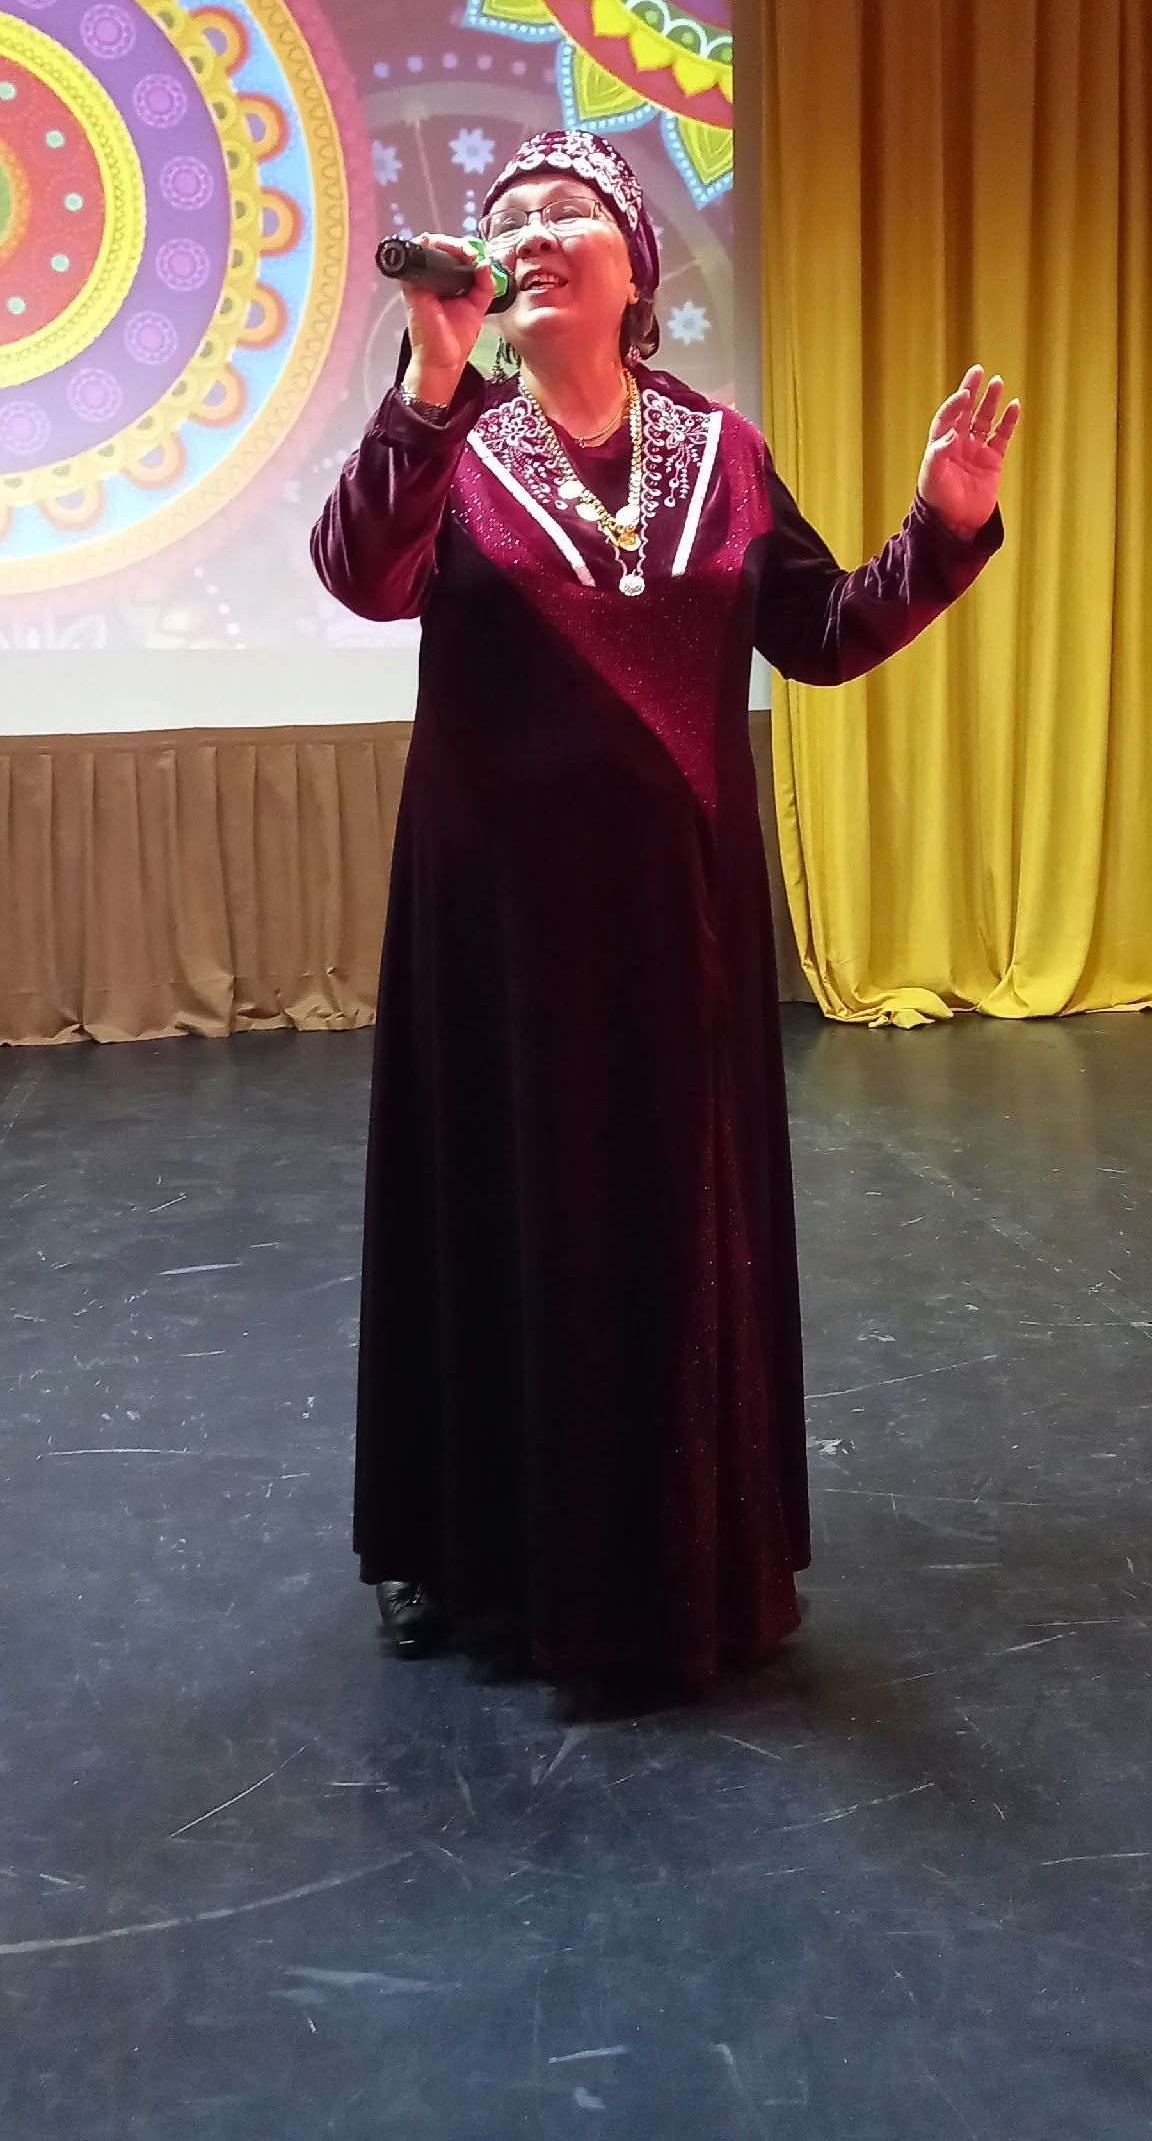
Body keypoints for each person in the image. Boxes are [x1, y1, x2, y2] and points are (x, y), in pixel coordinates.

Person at [311, 130, 1018, 1688]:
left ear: (635, 263)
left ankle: (674, 1547)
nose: (526, 230)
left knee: (664, 1228)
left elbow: (822, 634)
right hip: (494, 933)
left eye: (562, 209)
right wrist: (429, 382)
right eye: (503, 216)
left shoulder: (724, 450)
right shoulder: (449, 442)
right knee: (491, 1210)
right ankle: (458, 1545)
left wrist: (942, 528)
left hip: (675, 929)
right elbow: (360, 576)